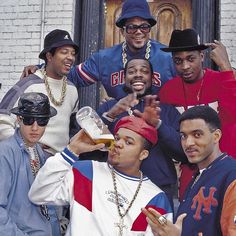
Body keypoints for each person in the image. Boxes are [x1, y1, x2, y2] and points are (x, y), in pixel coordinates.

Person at [28, 98, 173, 236]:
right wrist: (71, 151)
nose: (118, 144)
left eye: (128, 142)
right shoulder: (85, 171)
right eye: (117, 138)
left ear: (143, 154)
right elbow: (38, 195)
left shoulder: (156, 198)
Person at [21, 0, 175, 99]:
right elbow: (73, 76)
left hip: (159, 127)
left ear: (149, 29)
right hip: (120, 126)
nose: (139, 31)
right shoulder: (105, 59)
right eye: (131, 27)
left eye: (144, 27)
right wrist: (41, 68)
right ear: (122, 31)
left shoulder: (167, 56)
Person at [97, 57, 186, 207]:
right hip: (114, 187)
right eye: (131, 71)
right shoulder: (110, 107)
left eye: (144, 71)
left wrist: (158, 125)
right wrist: (111, 114)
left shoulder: (165, 110)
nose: (138, 74)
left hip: (158, 187)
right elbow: (89, 145)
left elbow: (182, 152)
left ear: (152, 78)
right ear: (124, 78)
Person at [158, 28, 236, 200]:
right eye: (178, 61)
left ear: (202, 56)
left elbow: (232, 116)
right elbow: (170, 136)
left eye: (190, 59)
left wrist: (226, 67)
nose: (185, 66)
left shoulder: (222, 78)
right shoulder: (168, 91)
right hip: (191, 173)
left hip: (228, 167)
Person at [142, 106, 236, 236]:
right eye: (183, 136)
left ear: (216, 136)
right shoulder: (199, 174)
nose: (188, 143)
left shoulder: (231, 175)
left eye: (197, 134)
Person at [0, 29, 79, 156]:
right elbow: (3, 119)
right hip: (32, 163)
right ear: (49, 56)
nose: (70, 57)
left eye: (73, 53)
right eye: (64, 52)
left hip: (62, 162)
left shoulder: (72, 89)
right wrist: (26, 148)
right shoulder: (28, 84)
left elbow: (73, 127)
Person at [0, 92, 61, 236]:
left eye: (41, 121)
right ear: (18, 119)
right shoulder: (5, 152)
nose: (35, 128)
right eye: (28, 120)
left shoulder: (37, 150)